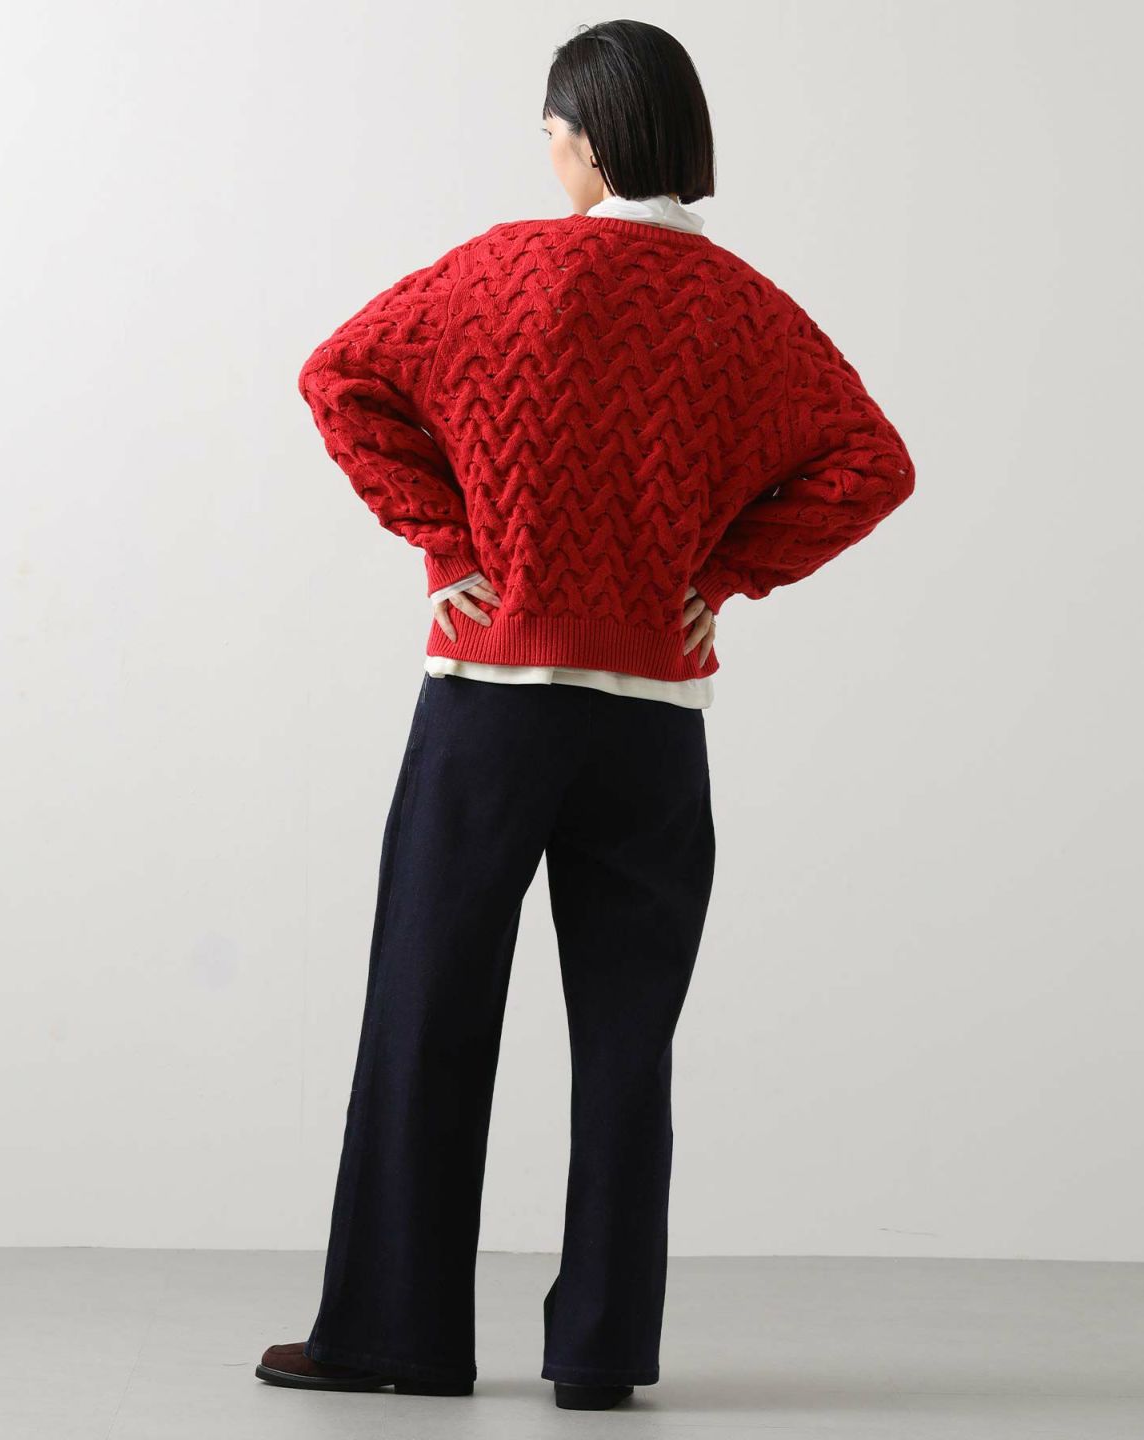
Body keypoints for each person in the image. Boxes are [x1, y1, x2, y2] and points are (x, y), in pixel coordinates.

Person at [256, 17, 915, 1414]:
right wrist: (719, 578)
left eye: (552, 134)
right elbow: (872, 462)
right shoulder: (746, 310)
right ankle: (603, 1355)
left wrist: (449, 545)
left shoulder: (502, 270)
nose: (547, 155)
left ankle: (394, 1336)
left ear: (587, 142)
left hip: (493, 700)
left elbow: (338, 375)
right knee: (627, 1037)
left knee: (430, 1006)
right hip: (652, 718)